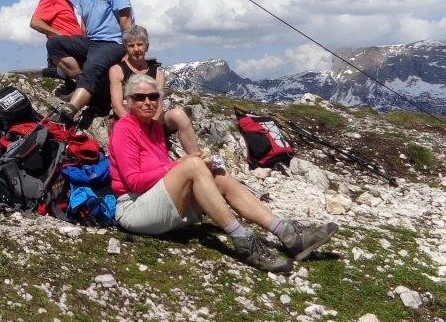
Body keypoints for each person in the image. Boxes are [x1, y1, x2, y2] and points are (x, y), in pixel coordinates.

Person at [109, 74, 338, 272]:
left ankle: (287, 232)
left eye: (153, 97)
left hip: (155, 202)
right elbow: (134, 182)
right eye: (140, 98)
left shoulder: (154, 127)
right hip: (134, 208)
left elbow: (159, 172)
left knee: (217, 173)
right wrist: (178, 165)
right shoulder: (124, 129)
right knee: (191, 165)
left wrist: (191, 166)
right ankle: (243, 240)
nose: (148, 102)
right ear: (128, 101)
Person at [48, 0, 132, 122]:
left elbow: (125, 19)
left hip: (112, 42)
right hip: (91, 41)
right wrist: (81, 41)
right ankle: (84, 83)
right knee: (54, 44)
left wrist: (128, 50)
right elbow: (84, 21)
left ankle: (71, 109)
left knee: (92, 66)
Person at [108, 24, 201, 155]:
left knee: (179, 114)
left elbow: (159, 106)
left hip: (153, 122)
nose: (136, 49)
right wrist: (136, 129)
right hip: (129, 121)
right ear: (126, 48)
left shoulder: (158, 73)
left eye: (139, 44)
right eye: (131, 45)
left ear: (147, 46)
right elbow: (117, 106)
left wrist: (151, 129)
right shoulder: (117, 70)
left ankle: (197, 156)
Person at [29, 0, 81, 79]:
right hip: (64, 50)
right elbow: (35, 22)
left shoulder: (68, 3)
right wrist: (59, 34)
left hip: (74, 48)